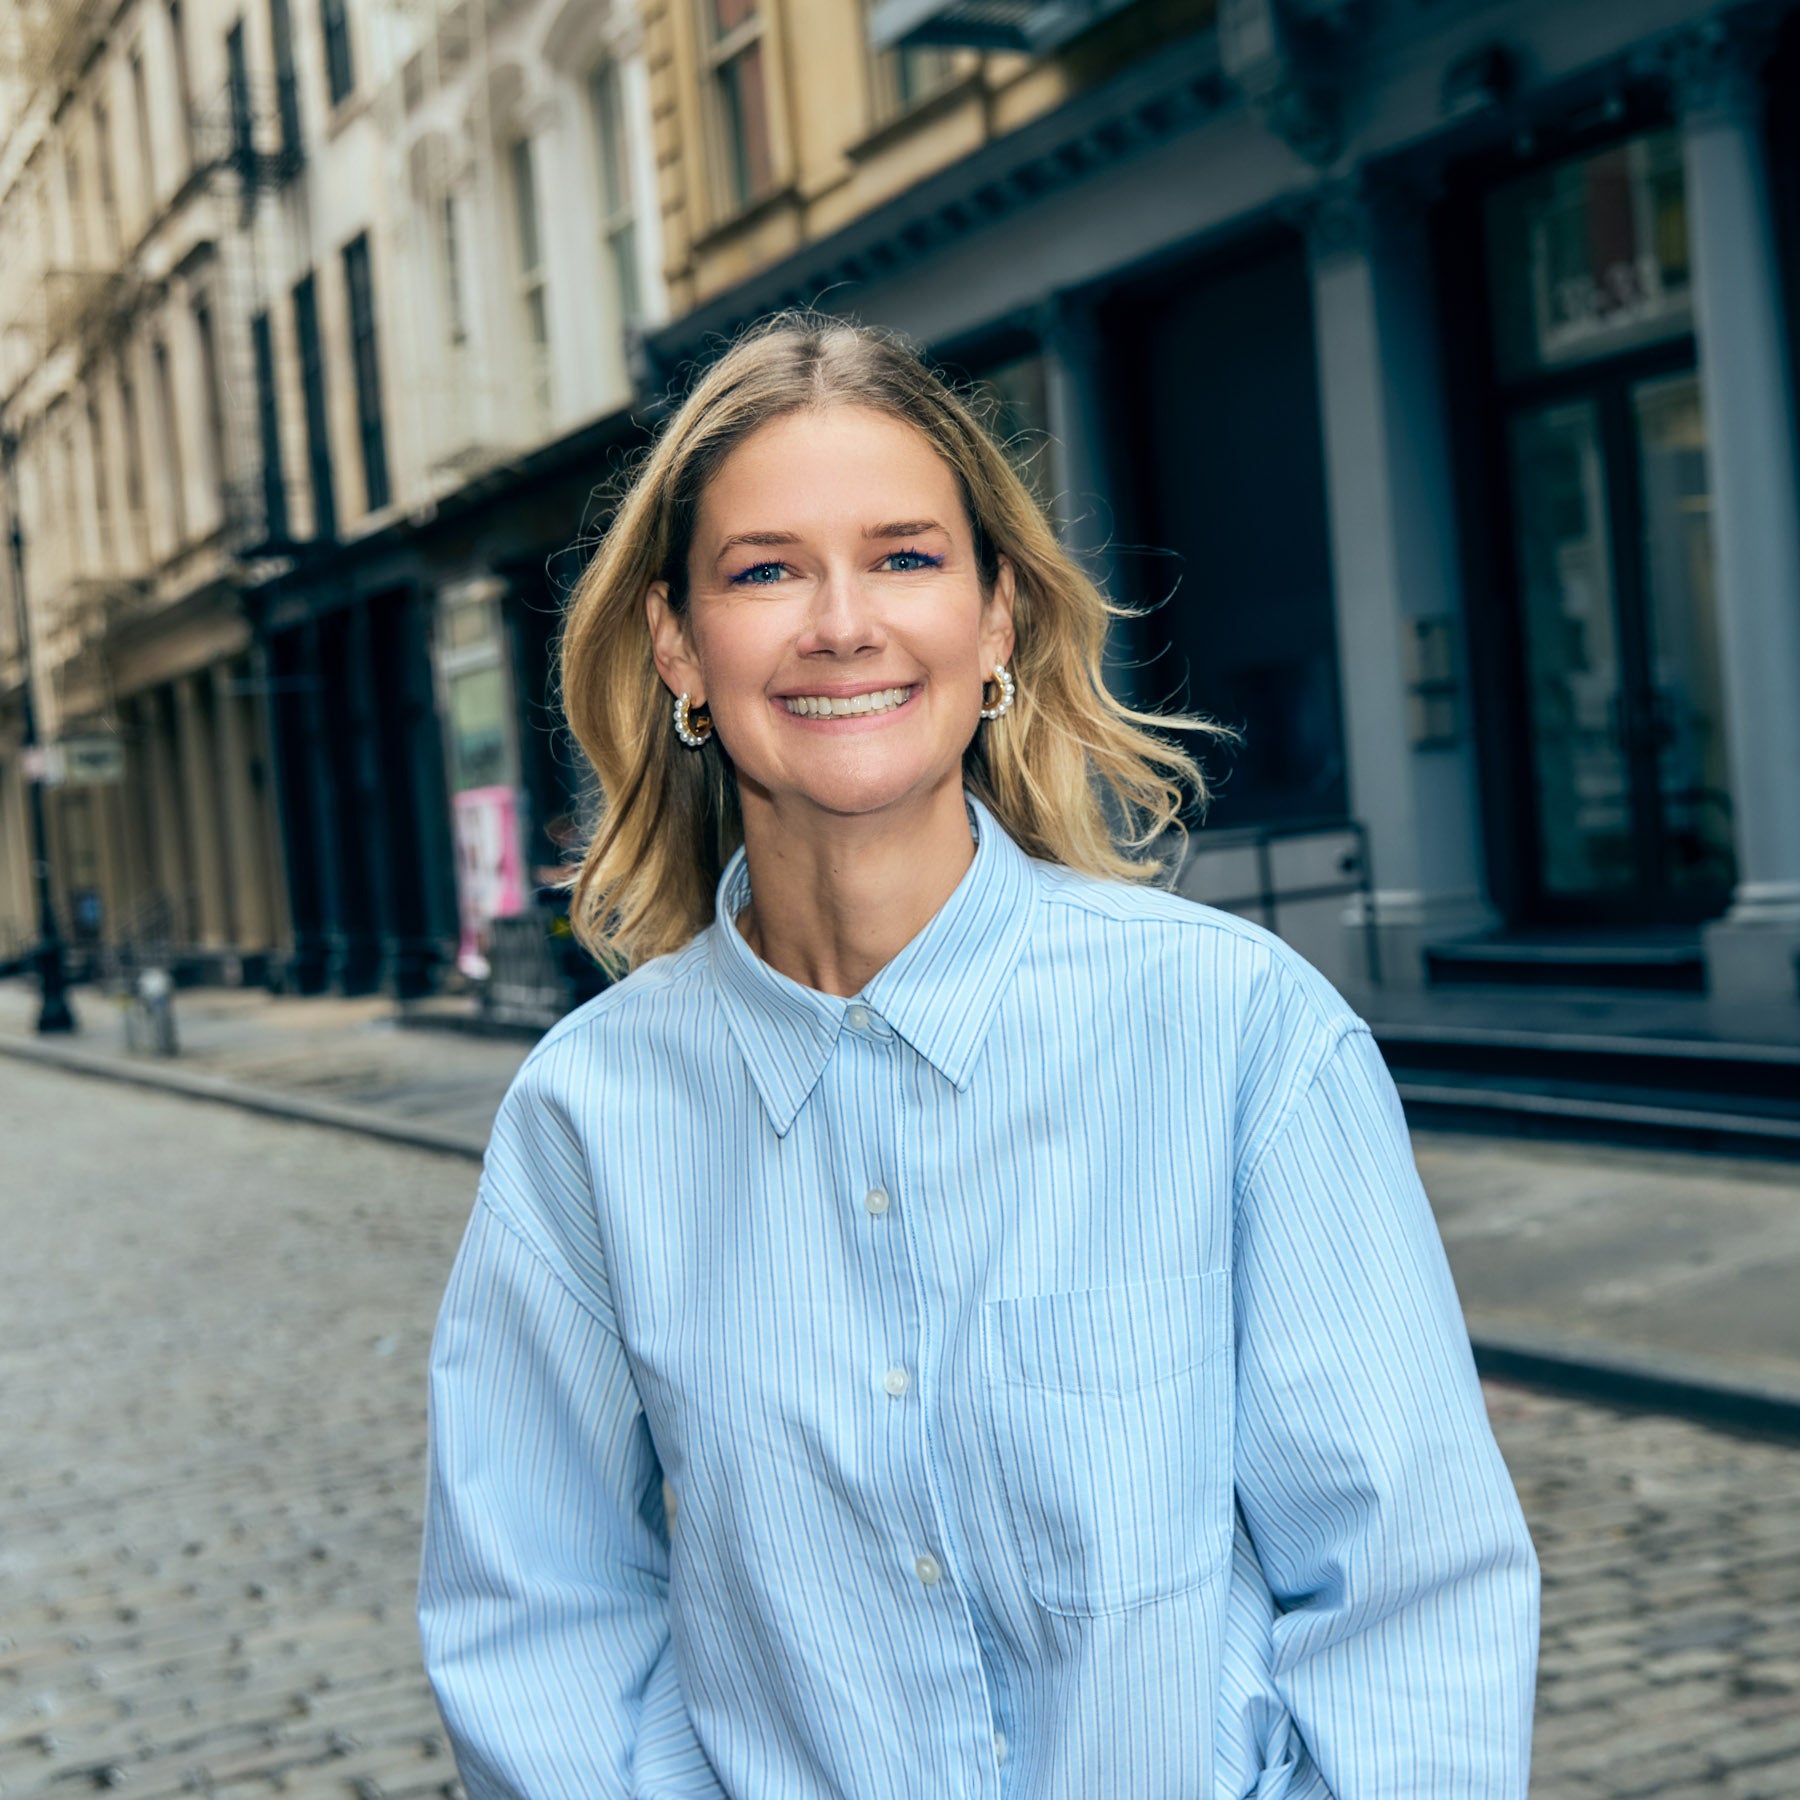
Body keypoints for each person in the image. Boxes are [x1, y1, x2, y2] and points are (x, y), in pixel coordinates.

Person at [417, 308, 1540, 1798]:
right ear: (679, 645)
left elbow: (1410, 1594)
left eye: (904, 556)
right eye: (766, 571)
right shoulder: (588, 1121)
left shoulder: (1235, 1035)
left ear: (997, 619)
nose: (842, 623)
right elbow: (534, 1619)